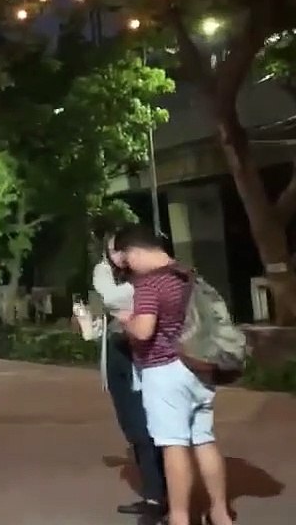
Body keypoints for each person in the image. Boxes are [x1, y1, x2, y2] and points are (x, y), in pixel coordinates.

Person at [113, 225, 233, 525]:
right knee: (204, 440)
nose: (129, 267)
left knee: (173, 445)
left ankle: (179, 518)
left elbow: (144, 331)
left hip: (165, 371)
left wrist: (126, 320)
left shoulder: (150, 283)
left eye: (127, 259)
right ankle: (220, 512)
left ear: (135, 252)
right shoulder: (187, 274)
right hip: (199, 367)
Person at [93, 234, 166, 520]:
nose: (117, 255)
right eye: (111, 250)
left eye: (121, 249)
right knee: (132, 428)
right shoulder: (104, 271)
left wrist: (137, 290)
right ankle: (155, 493)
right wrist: (137, 290)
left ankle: (156, 497)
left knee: (145, 427)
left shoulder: (146, 274)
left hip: (142, 353)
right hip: (118, 352)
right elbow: (109, 298)